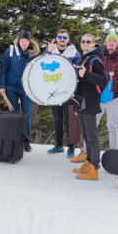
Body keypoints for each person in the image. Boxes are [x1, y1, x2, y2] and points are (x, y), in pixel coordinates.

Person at [72, 34, 108, 180]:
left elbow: (103, 81)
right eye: (83, 41)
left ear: (93, 44)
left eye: (88, 41)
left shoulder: (95, 60)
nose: (85, 43)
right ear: (81, 44)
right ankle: (88, 162)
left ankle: (94, 168)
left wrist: (86, 73)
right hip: (81, 102)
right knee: (86, 135)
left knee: (92, 136)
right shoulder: (83, 58)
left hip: (91, 102)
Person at [0, 28, 40, 152]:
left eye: (26, 41)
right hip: (11, 88)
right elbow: (4, 68)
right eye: (22, 40)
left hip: (26, 89)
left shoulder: (34, 54)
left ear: (29, 42)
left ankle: (26, 140)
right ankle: (14, 139)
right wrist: (2, 85)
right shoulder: (10, 51)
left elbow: (38, 72)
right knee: (14, 113)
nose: (24, 43)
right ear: (19, 40)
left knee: (26, 114)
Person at [44, 29, 80, 158]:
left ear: (68, 39)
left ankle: (71, 147)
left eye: (64, 37)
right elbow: (41, 66)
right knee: (57, 118)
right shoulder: (50, 50)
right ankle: (59, 145)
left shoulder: (74, 53)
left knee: (69, 119)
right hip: (54, 90)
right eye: (60, 37)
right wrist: (48, 52)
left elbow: (79, 69)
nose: (62, 39)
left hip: (69, 90)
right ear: (56, 38)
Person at [96, 33, 118, 147]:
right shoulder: (100, 57)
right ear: (106, 42)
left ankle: (114, 153)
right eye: (109, 40)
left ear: (117, 43)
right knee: (92, 125)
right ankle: (86, 151)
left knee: (112, 127)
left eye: (114, 40)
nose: (111, 42)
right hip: (99, 98)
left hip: (114, 99)